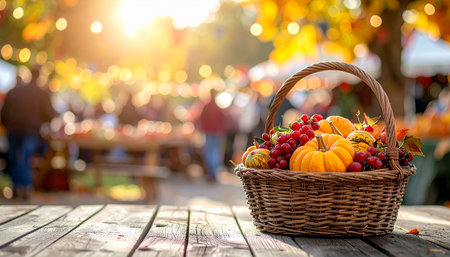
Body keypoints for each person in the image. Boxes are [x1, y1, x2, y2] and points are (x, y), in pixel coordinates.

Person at [1, 69, 56, 199]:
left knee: (15, 157)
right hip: (31, 130)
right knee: (24, 156)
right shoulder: (42, 93)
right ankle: (25, 186)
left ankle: (17, 186)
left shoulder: (14, 91)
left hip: (13, 128)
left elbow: (3, 113)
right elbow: (49, 114)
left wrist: (7, 125)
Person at [199, 89, 226, 181]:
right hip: (217, 132)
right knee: (215, 152)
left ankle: (212, 173)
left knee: (210, 152)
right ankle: (213, 172)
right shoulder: (218, 107)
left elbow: (201, 118)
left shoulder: (207, 106)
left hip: (209, 132)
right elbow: (223, 119)